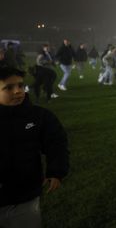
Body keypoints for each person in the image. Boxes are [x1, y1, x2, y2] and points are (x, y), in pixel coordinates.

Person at [0, 66, 69, 228]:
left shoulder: (40, 116)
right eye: (9, 87)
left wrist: (56, 171)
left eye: (20, 85)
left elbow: (56, 143)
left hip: (25, 196)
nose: (18, 91)